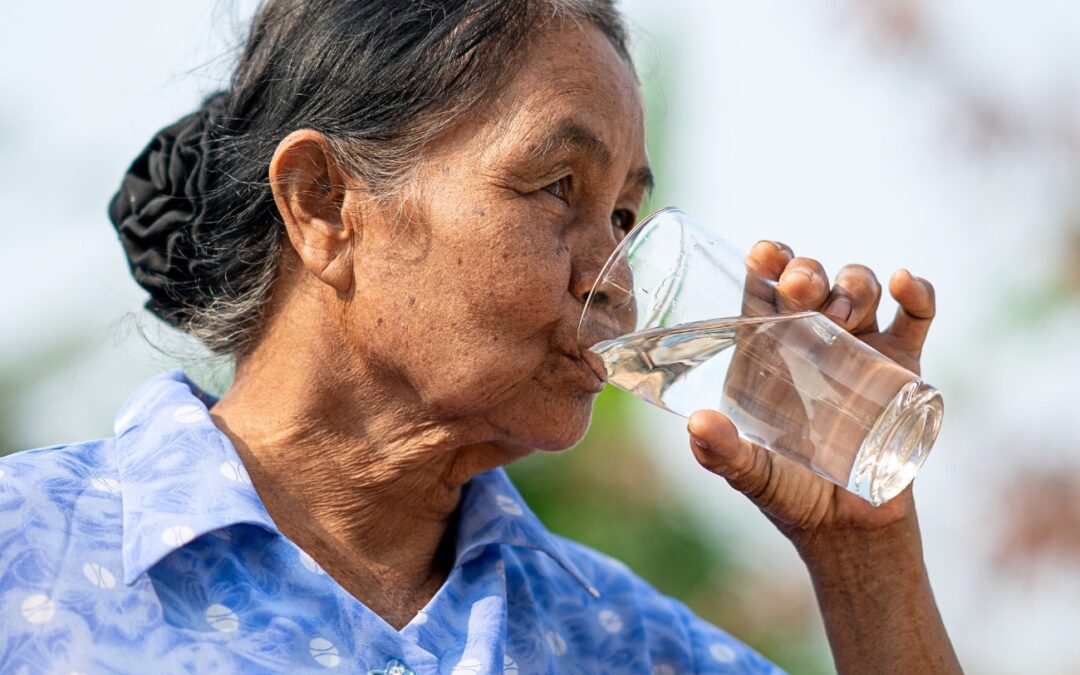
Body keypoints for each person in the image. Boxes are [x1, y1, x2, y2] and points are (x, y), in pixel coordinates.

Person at [0, 1, 961, 673]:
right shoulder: (24, 558)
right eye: (559, 189)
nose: (615, 275)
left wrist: (864, 559)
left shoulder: (628, 645)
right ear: (325, 205)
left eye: (626, 215)